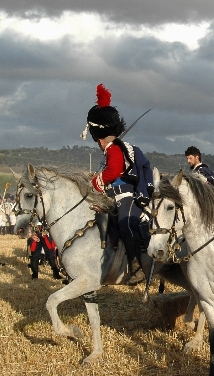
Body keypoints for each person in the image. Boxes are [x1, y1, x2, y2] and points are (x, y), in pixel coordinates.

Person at [81, 83, 154, 284]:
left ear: (99, 138)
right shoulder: (112, 149)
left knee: (125, 224)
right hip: (114, 197)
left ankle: (137, 266)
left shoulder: (113, 149)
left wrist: (97, 180)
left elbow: (113, 172)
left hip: (126, 196)